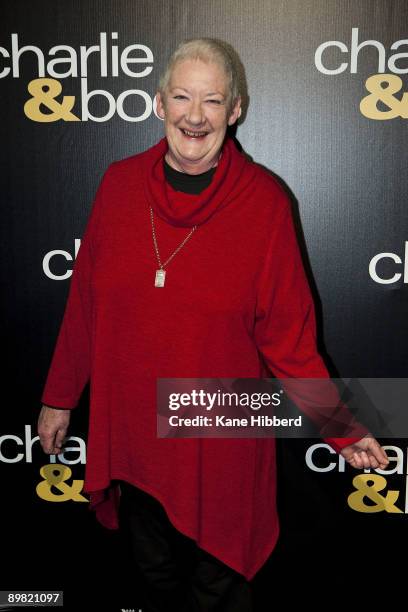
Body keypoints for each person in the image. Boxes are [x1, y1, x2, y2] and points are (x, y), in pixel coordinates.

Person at [38, 38, 389, 611]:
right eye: (181, 96)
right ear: (158, 104)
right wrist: (58, 397)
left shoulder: (266, 203)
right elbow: (84, 306)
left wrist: (343, 428)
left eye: (212, 100)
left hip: (219, 440)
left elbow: (290, 341)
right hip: (133, 435)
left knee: (218, 587)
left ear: (236, 110)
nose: (194, 115)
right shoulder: (118, 185)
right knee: (151, 578)